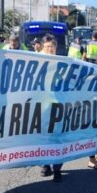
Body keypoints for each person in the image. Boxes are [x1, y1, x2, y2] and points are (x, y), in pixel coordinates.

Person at [38, 35, 64, 182]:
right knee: (43, 137)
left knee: (57, 137)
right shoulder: (35, 61)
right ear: (42, 47)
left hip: (57, 106)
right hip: (41, 107)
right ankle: (45, 164)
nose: (49, 50)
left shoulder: (61, 62)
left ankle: (57, 168)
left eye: (52, 47)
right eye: (47, 47)